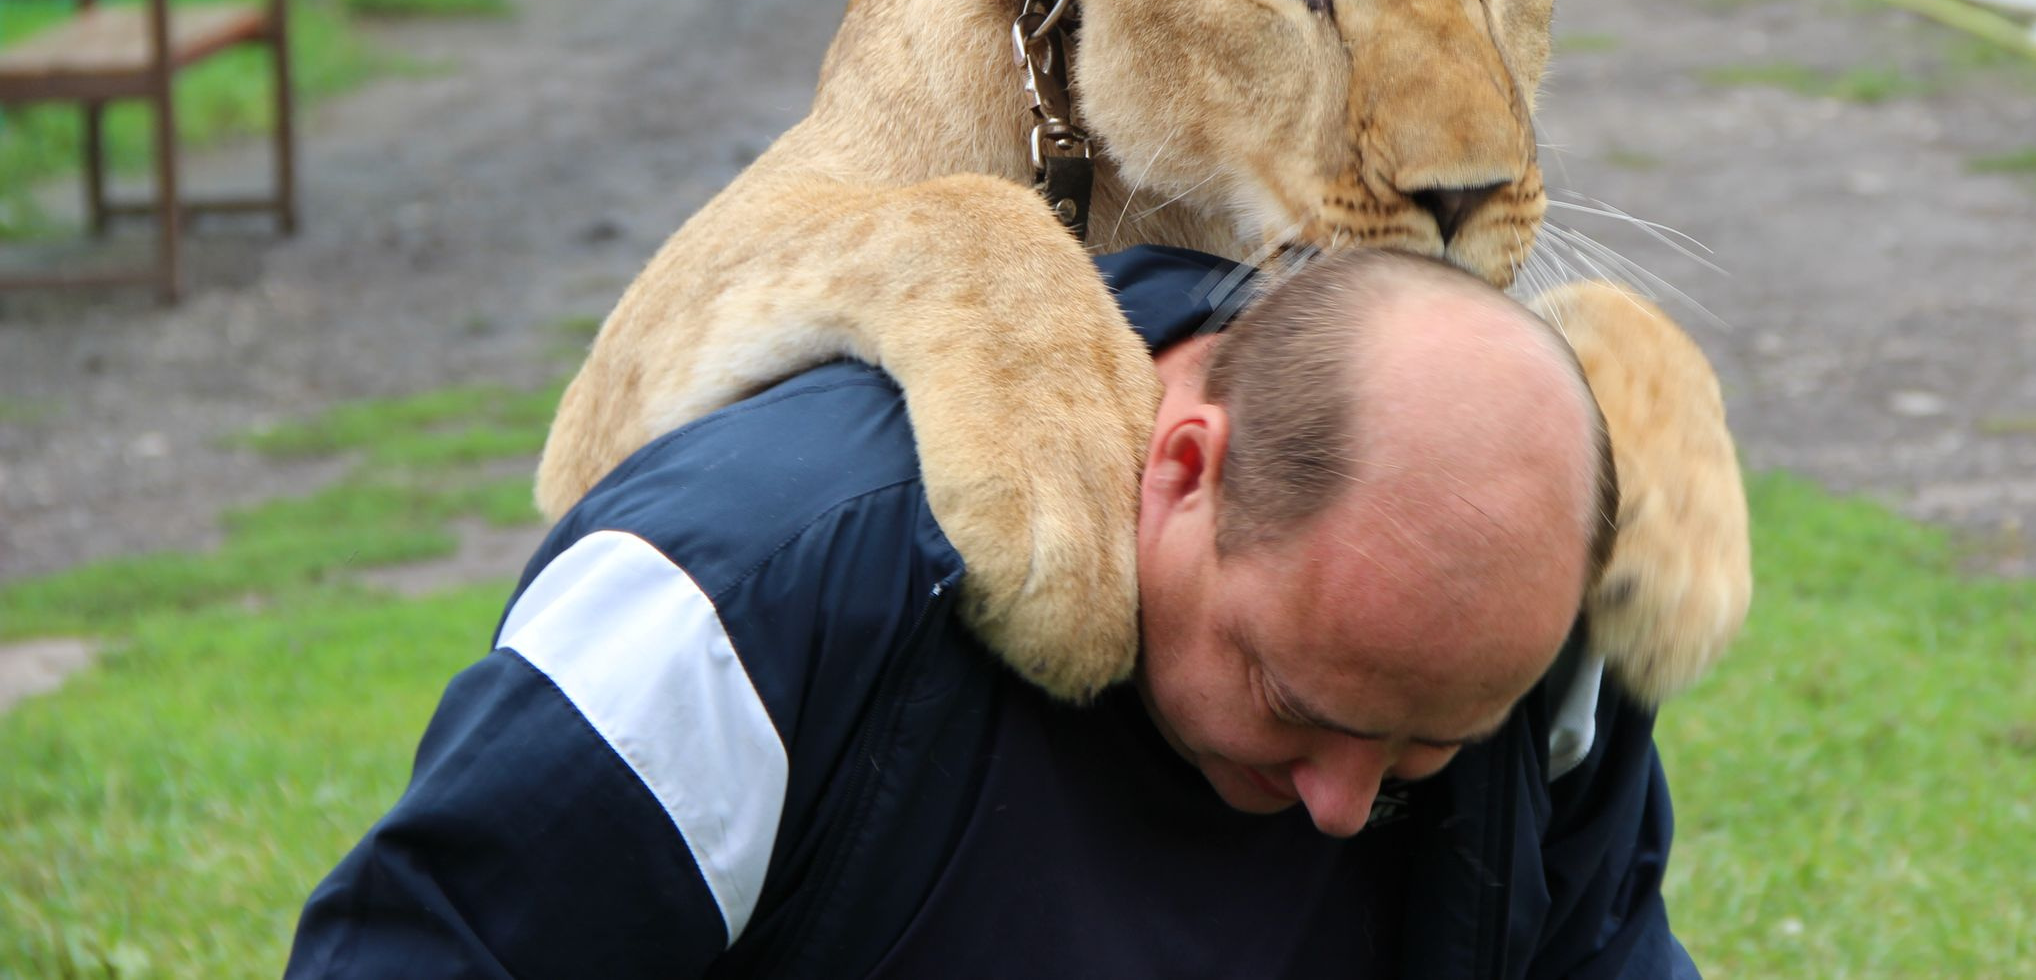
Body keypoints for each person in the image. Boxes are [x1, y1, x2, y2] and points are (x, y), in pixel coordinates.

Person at [286, 244, 1699, 979]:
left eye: (1424, 752)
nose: (1344, 805)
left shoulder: (1531, 644)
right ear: (1183, 465)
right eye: (1298, 706)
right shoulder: (753, 593)